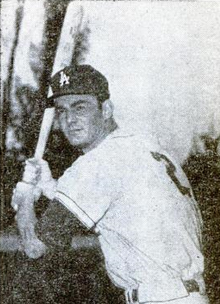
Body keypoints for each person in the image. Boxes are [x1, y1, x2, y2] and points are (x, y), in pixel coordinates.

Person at [12, 64, 209, 304]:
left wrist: (24, 196)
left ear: (106, 109)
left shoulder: (99, 161)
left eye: (80, 107)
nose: (69, 120)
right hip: (185, 293)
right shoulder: (143, 146)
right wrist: (52, 187)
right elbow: (120, 221)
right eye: (62, 111)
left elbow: (35, 247)